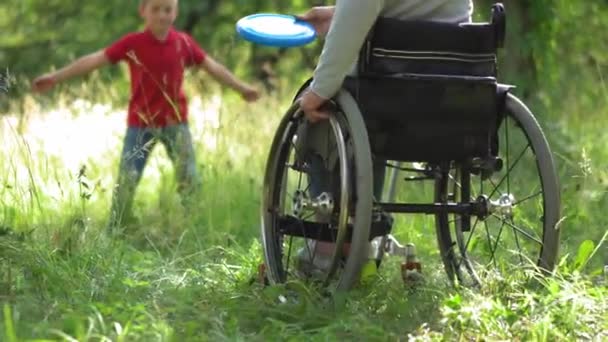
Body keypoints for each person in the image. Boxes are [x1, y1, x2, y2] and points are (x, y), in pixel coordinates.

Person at [32, 0, 261, 231]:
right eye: (156, 9)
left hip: (176, 123)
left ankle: (195, 228)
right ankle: (116, 229)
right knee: (127, 181)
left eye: (168, 9)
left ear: (176, 11)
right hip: (140, 125)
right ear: (143, 11)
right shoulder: (133, 43)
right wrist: (56, 77)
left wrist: (242, 88)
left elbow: (213, 67)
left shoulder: (183, 42)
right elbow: (94, 60)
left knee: (189, 179)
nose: (162, 15)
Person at [295, 0, 474, 272]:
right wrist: (340, 13)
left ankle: (330, 245)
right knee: (366, 114)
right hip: (448, 103)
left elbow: (355, 21)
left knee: (319, 107)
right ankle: (363, 231)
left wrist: (318, 91)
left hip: (389, 105)